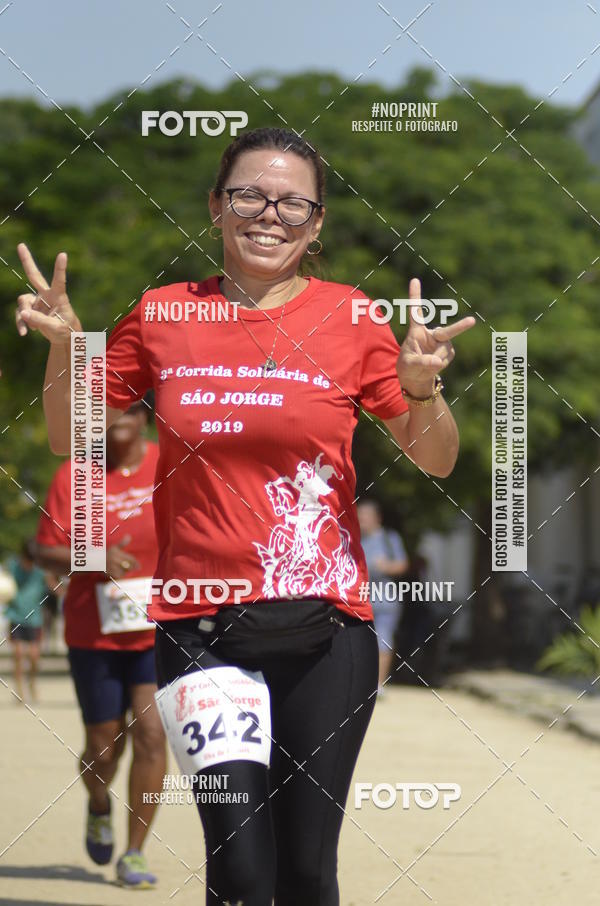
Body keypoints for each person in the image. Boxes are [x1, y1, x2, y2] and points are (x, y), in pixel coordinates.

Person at [16, 126, 475, 906]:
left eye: (294, 201)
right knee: (238, 865)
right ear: (216, 208)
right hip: (199, 634)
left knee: (304, 870)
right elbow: (71, 434)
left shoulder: (353, 316)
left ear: (317, 221)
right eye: (250, 195)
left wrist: (423, 388)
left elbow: (435, 458)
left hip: (327, 633)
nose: (271, 214)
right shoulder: (163, 314)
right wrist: (65, 347)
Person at [35, 401, 166, 890]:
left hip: (159, 626)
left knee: (152, 731)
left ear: (144, 420)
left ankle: (134, 853)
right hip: (93, 630)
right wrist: (91, 554)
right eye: (106, 413)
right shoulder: (76, 474)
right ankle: (97, 801)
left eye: (126, 412)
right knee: (103, 748)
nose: (114, 422)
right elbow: (43, 548)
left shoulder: (168, 463)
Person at [356, 500, 409, 693]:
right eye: (360, 515)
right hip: (359, 598)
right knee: (359, 641)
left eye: (366, 516)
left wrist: (386, 566)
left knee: (383, 639)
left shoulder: (389, 538)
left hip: (385, 599)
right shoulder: (355, 537)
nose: (362, 520)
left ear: (377, 518)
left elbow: (403, 564)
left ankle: (378, 684)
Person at [4, 539, 47, 703]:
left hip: (35, 619)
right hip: (15, 616)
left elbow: (53, 584)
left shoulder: (40, 570)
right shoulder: (12, 567)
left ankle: (32, 682)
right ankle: (19, 690)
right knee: (18, 654)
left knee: (34, 656)